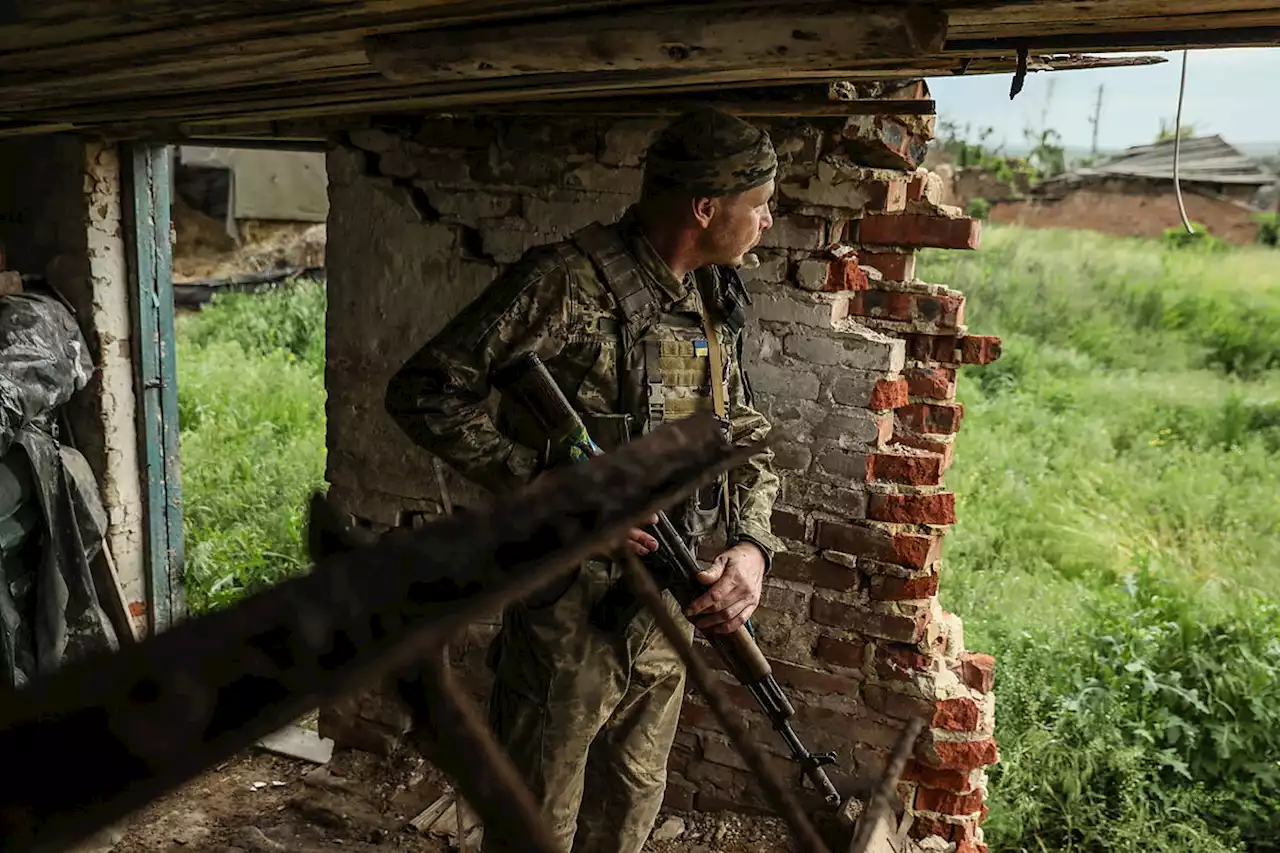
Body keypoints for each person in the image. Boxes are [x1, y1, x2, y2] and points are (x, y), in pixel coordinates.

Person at [385, 107, 781, 853]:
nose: (766, 221)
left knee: (630, 807)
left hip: (669, 596)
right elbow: (426, 389)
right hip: (566, 609)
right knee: (535, 818)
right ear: (706, 207)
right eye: (758, 204)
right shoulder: (565, 283)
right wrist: (544, 484)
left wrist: (753, 545)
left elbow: (746, 437)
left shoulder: (709, 295)